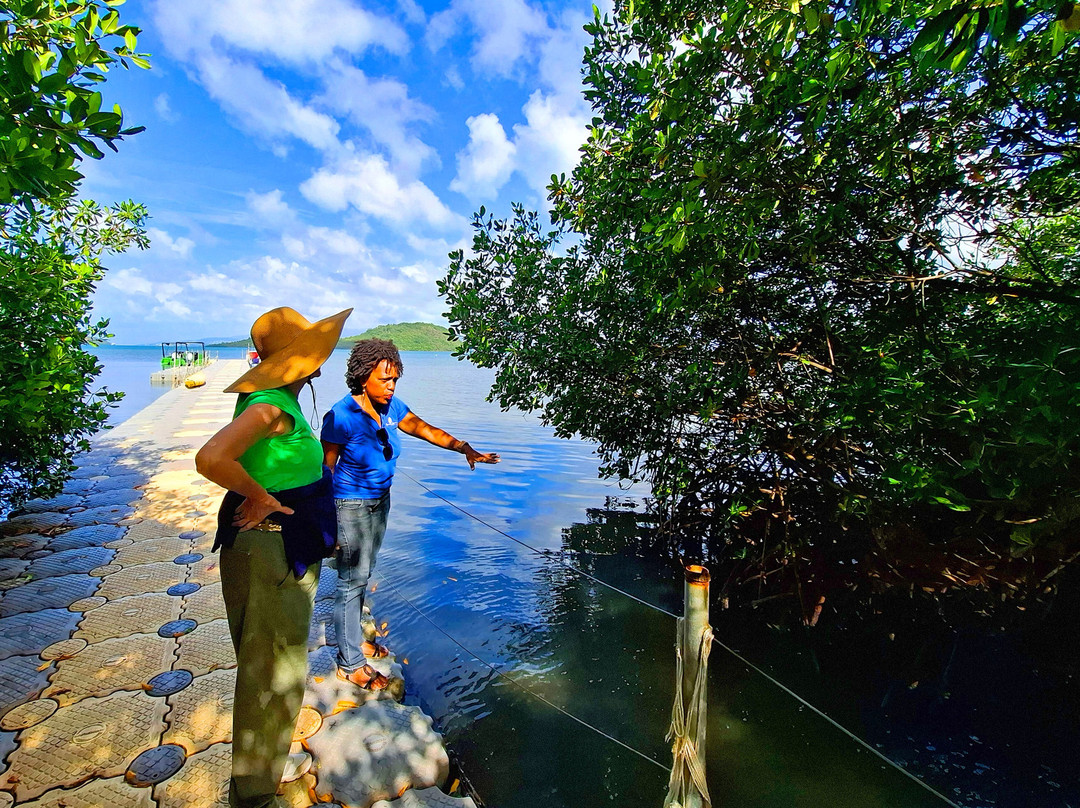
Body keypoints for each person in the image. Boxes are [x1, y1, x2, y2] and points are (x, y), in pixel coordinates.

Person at [195, 306, 351, 808]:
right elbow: (211, 458)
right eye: (312, 353)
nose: (320, 362)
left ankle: (257, 781)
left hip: (279, 549)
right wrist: (260, 497)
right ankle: (255, 797)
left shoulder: (272, 400)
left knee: (270, 667)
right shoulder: (269, 406)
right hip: (271, 551)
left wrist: (264, 490)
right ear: (296, 361)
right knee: (273, 676)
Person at [321, 338, 499, 689]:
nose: (391, 386)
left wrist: (464, 447)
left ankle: (355, 642)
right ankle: (349, 663)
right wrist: (326, 522)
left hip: (380, 501)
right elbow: (326, 470)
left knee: (363, 573)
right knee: (351, 580)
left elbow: (426, 429)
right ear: (362, 376)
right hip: (350, 505)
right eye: (384, 379)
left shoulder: (392, 407)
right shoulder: (340, 416)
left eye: (395, 380)